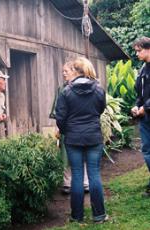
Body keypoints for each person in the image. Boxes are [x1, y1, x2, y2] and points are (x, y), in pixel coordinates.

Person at [55, 57, 107, 223]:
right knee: (94, 174)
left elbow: (60, 117)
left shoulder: (66, 92)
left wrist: (65, 131)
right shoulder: (99, 90)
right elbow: (100, 109)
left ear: (76, 72)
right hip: (93, 137)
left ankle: (77, 216)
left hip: (73, 138)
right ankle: (99, 215)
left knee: (76, 175)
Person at [49, 62, 89, 195]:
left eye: (66, 71)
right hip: (66, 128)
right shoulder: (61, 89)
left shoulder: (86, 86)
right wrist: (58, 128)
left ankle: (85, 183)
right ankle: (67, 183)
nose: (64, 73)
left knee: (82, 154)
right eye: (63, 71)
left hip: (82, 127)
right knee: (65, 155)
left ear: (74, 71)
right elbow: (57, 111)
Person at [131, 36, 150, 196]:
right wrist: (137, 106)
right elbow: (140, 94)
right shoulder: (143, 70)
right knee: (147, 150)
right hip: (145, 118)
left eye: (139, 50)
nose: (137, 54)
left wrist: (146, 107)